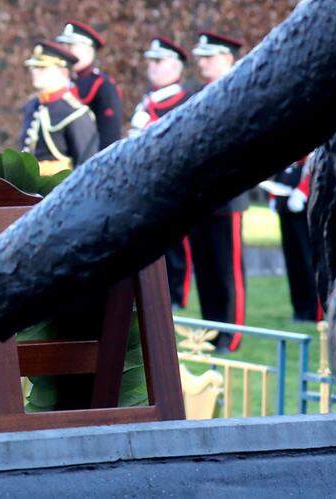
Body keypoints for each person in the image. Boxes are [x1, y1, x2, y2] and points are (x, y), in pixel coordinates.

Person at [189, 30, 249, 351]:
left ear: (228, 58)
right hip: (200, 196)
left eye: (209, 57)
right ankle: (210, 331)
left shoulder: (241, 92)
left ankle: (231, 334)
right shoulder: (199, 93)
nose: (202, 62)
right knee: (206, 269)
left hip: (227, 194)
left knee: (228, 271)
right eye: (201, 57)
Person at [128, 36, 195, 307]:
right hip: (145, 186)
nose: (152, 67)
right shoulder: (148, 101)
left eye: (159, 61)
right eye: (151, 62)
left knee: (176, 246)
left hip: (172, 184)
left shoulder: (185, 100)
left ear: (176, 67)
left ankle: (178, 297)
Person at [19, 41, 98, 175]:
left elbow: (87, 166)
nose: (34, 72)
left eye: (42, 68)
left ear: (62, 71)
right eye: (34, 67)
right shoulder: (33, 105)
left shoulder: (75, 113)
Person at [263, 157, 320, 322]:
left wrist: (304, 190)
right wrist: (274, 197)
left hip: (304, 208)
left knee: (308, 259)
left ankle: (314, 310)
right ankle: (299, 308)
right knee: (292, 260)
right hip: (286, 205)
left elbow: (315, 163)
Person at [55, 20, 122, 150]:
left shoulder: (103, 85)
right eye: (64, 45)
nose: (66, 52)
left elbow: (109, 135)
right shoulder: (61, 81)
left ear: (88, 50)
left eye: (71, 46)